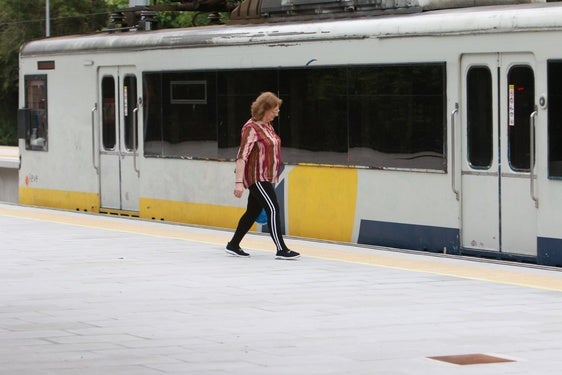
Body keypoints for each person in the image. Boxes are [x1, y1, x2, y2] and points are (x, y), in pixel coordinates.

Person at [226, 92, 300, 260]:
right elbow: (241, 156)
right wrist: (238, 183)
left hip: (265, 176)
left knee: (252, 212)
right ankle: (281, 249)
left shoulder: (267, 126)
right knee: (273, 208)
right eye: (274, 110)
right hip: (256, 177)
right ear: (265, 109)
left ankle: (233, 244)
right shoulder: (251, 128)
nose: (276, 113)